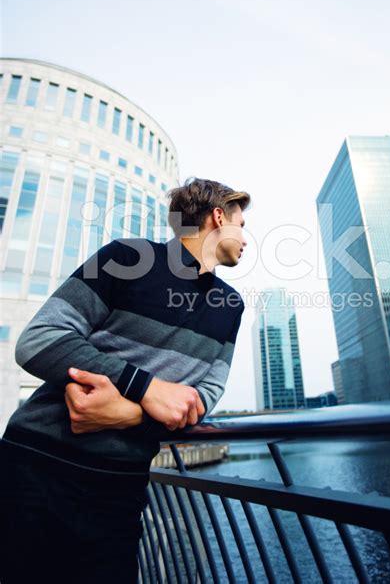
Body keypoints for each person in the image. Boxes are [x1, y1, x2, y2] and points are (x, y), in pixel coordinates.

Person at [0, 177, 250, 584]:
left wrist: (126, 414)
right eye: (242, 225)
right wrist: (146, 388)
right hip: (33, 467)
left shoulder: (231, 306)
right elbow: (38, 341)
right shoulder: (125, 256)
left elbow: (207, 395)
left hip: (120, 488)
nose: (246, 239)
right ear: (218, 217)